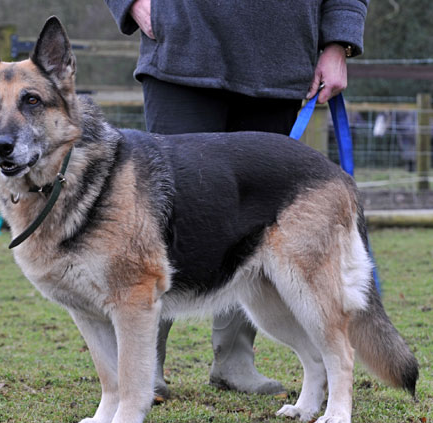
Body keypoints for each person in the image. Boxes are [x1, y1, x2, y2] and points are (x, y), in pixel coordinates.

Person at [104, 0, 368, 399]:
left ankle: (234, 359)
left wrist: (339, 42)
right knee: (165, 222)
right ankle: (145, 368)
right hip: (183, 53)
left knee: (254, 225)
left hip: (278, 62)